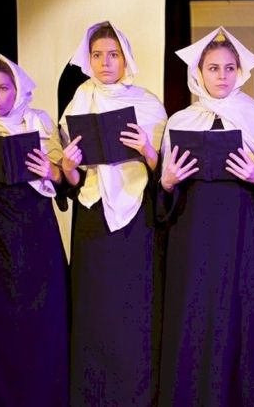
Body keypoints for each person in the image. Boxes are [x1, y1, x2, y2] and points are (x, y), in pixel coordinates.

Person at [157, 26, 254, 405]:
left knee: (241, 318)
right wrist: (167, 181)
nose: (222, 76)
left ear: (239, 71)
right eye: (213, 68)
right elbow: (163, 197)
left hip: (242, 234)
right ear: (199, 72)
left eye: (229, 68)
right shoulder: (180, 121)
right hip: (192, 236)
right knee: (195, 317)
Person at [59, 21, 167, 405]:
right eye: (97, 55)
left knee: (133, 313)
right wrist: (68, 166)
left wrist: (148, 150)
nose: (105, 62)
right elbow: (71, 181)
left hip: (136, 220)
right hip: (92, 219)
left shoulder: (148, 103)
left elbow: (165, 175)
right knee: (93, 314)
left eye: (113, 54)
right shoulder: (78, 102)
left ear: (126, 59)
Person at [0, 53, 68, 406]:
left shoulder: (40, 121)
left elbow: (63, 178)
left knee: (42, 321)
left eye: (2, 88)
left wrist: (51, 172)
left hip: (37, 232)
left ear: (17, 90)